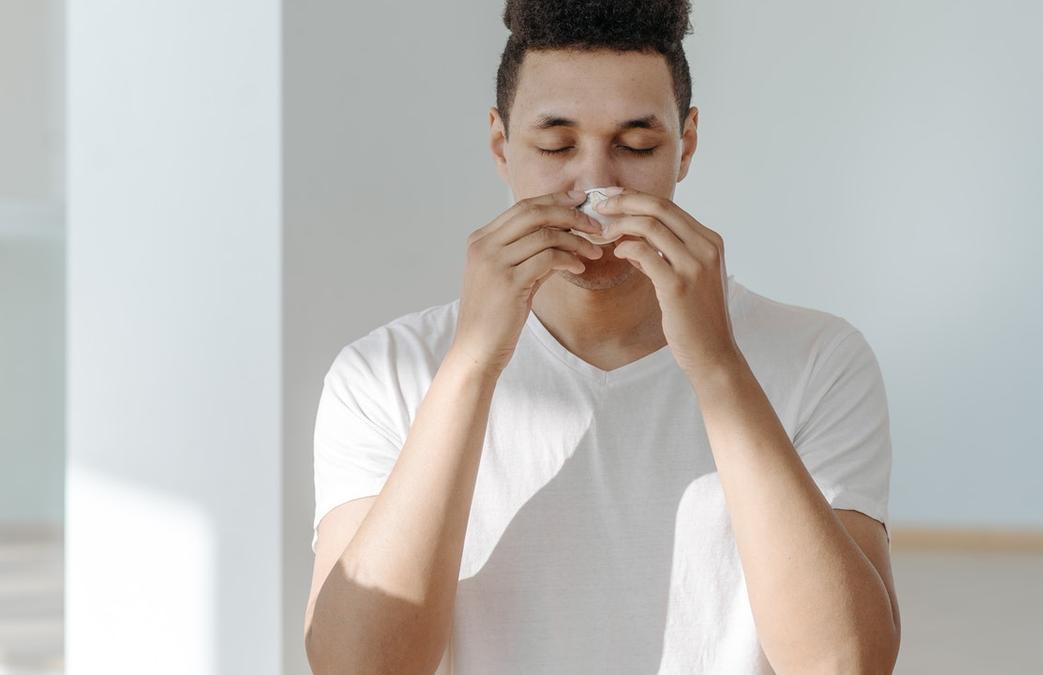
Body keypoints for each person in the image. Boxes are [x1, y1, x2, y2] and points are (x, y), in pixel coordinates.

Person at [304, 0, 901, 672]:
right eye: (557, 146)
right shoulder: (384, 373)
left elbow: (846, 663)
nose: (595, 185)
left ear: (687, 145)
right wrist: (471, 365)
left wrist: (717, 367)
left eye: (637, 146)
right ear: (501, 145)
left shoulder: (819, 360)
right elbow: (358, 665)